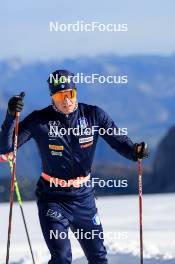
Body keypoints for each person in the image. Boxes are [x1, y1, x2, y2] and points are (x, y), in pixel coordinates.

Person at [0, 69, 148, 264]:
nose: (66, 100)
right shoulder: (39, 120)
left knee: (98, 257)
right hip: (52, 198)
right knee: (61, 257)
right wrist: (11, 116)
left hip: (83, 198)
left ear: (75, 92)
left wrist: (135, 151)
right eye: (60, 95)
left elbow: (119, 141)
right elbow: (6, 150)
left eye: (70, 94)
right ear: (52, 97)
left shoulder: (94, 116)